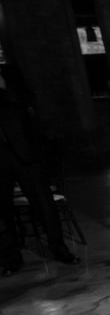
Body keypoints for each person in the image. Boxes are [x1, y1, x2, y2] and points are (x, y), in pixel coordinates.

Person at [0, 63, 80, 275]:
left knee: (44, 204)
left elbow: (24, 101)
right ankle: (11, 260)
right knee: (2, 212)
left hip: (24, 152)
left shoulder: (10, 74)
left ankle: (60, 250)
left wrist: (2, 85)